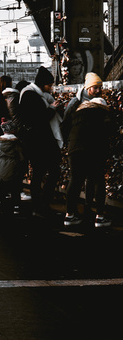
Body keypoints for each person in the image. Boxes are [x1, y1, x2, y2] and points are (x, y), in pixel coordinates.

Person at [62, 75, 116, 228]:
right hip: (93, 148)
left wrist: (69, 143)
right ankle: (99, 216)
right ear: (87, 87)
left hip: (75, 147)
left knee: (75, 180)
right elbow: (109, 128)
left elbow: (66, 124)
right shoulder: (101, 108)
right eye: (95, 87)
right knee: (98, 179)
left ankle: (70, 215)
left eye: (100, 87)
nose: (98, 90)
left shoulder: (77, 107)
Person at [17, 65, 63, 217]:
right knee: (43, 172)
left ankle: (41, 205)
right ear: (42, 83)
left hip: (40, 141)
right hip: (38, 142)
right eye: (49, 85)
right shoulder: (31, 95)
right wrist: (52, 109)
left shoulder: (37, 95)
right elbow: (38, 118)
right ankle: (40, 205)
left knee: (41, 172)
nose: (51, 88)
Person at [0, 119, 26, 215]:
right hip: (13, 168)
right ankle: (16, 207)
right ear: (14, 130)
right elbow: (21, 157)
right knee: (15, 189)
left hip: (0, 168)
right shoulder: (16, 143)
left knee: (2, 188)